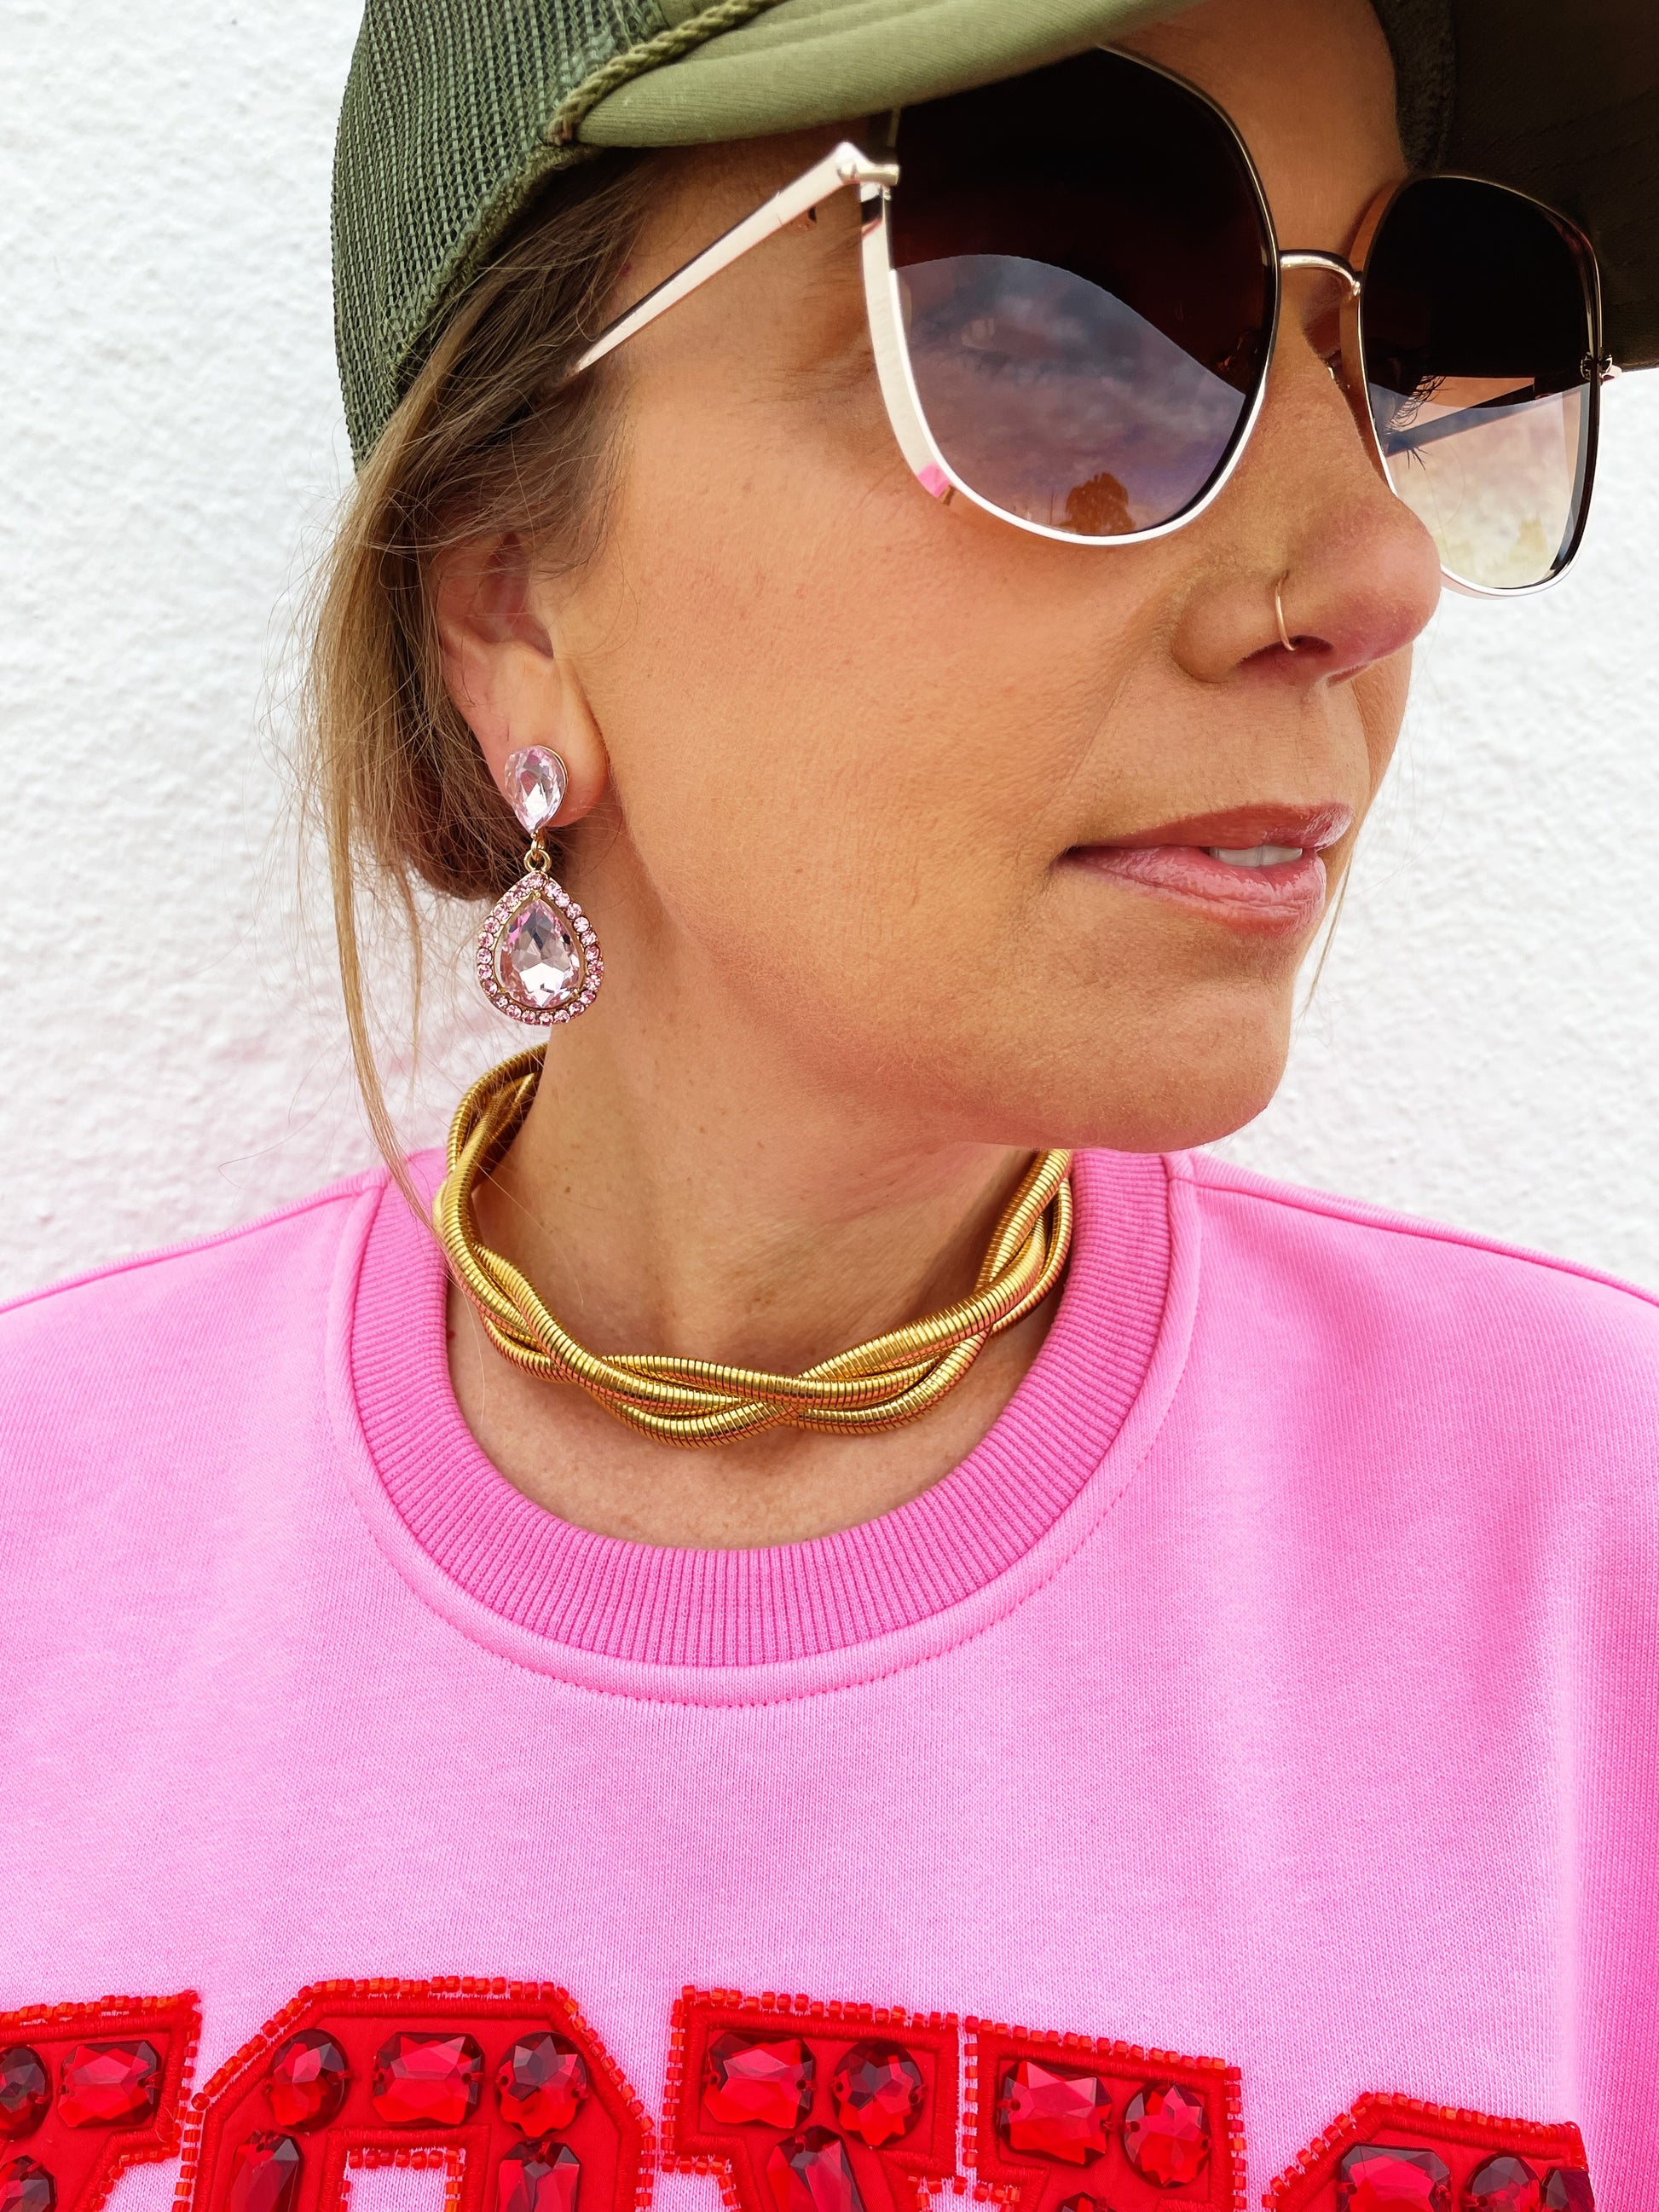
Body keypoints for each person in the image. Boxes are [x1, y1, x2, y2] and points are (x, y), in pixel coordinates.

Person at [2, 0, 1654, 2208]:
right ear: (509, 597)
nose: (1371, 573)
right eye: (1059, 321)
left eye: (1428, 343)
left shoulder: (1600, 1578)